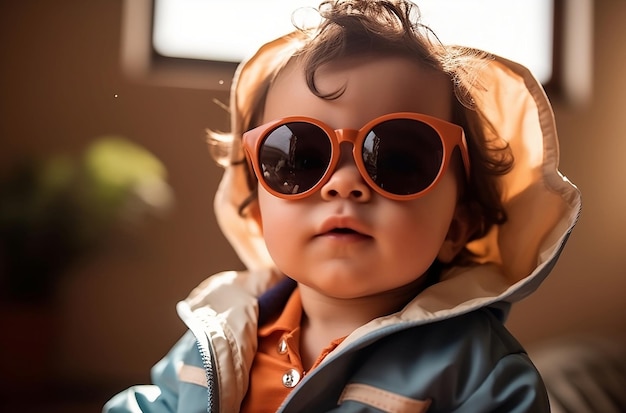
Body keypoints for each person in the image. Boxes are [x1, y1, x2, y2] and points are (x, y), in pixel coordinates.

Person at [104, 0, 581, 412]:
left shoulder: (479, 377)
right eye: (301, 158)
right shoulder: (218, 337)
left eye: (397, 160)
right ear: (256, 209)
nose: (344, 185)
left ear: (457, 225)